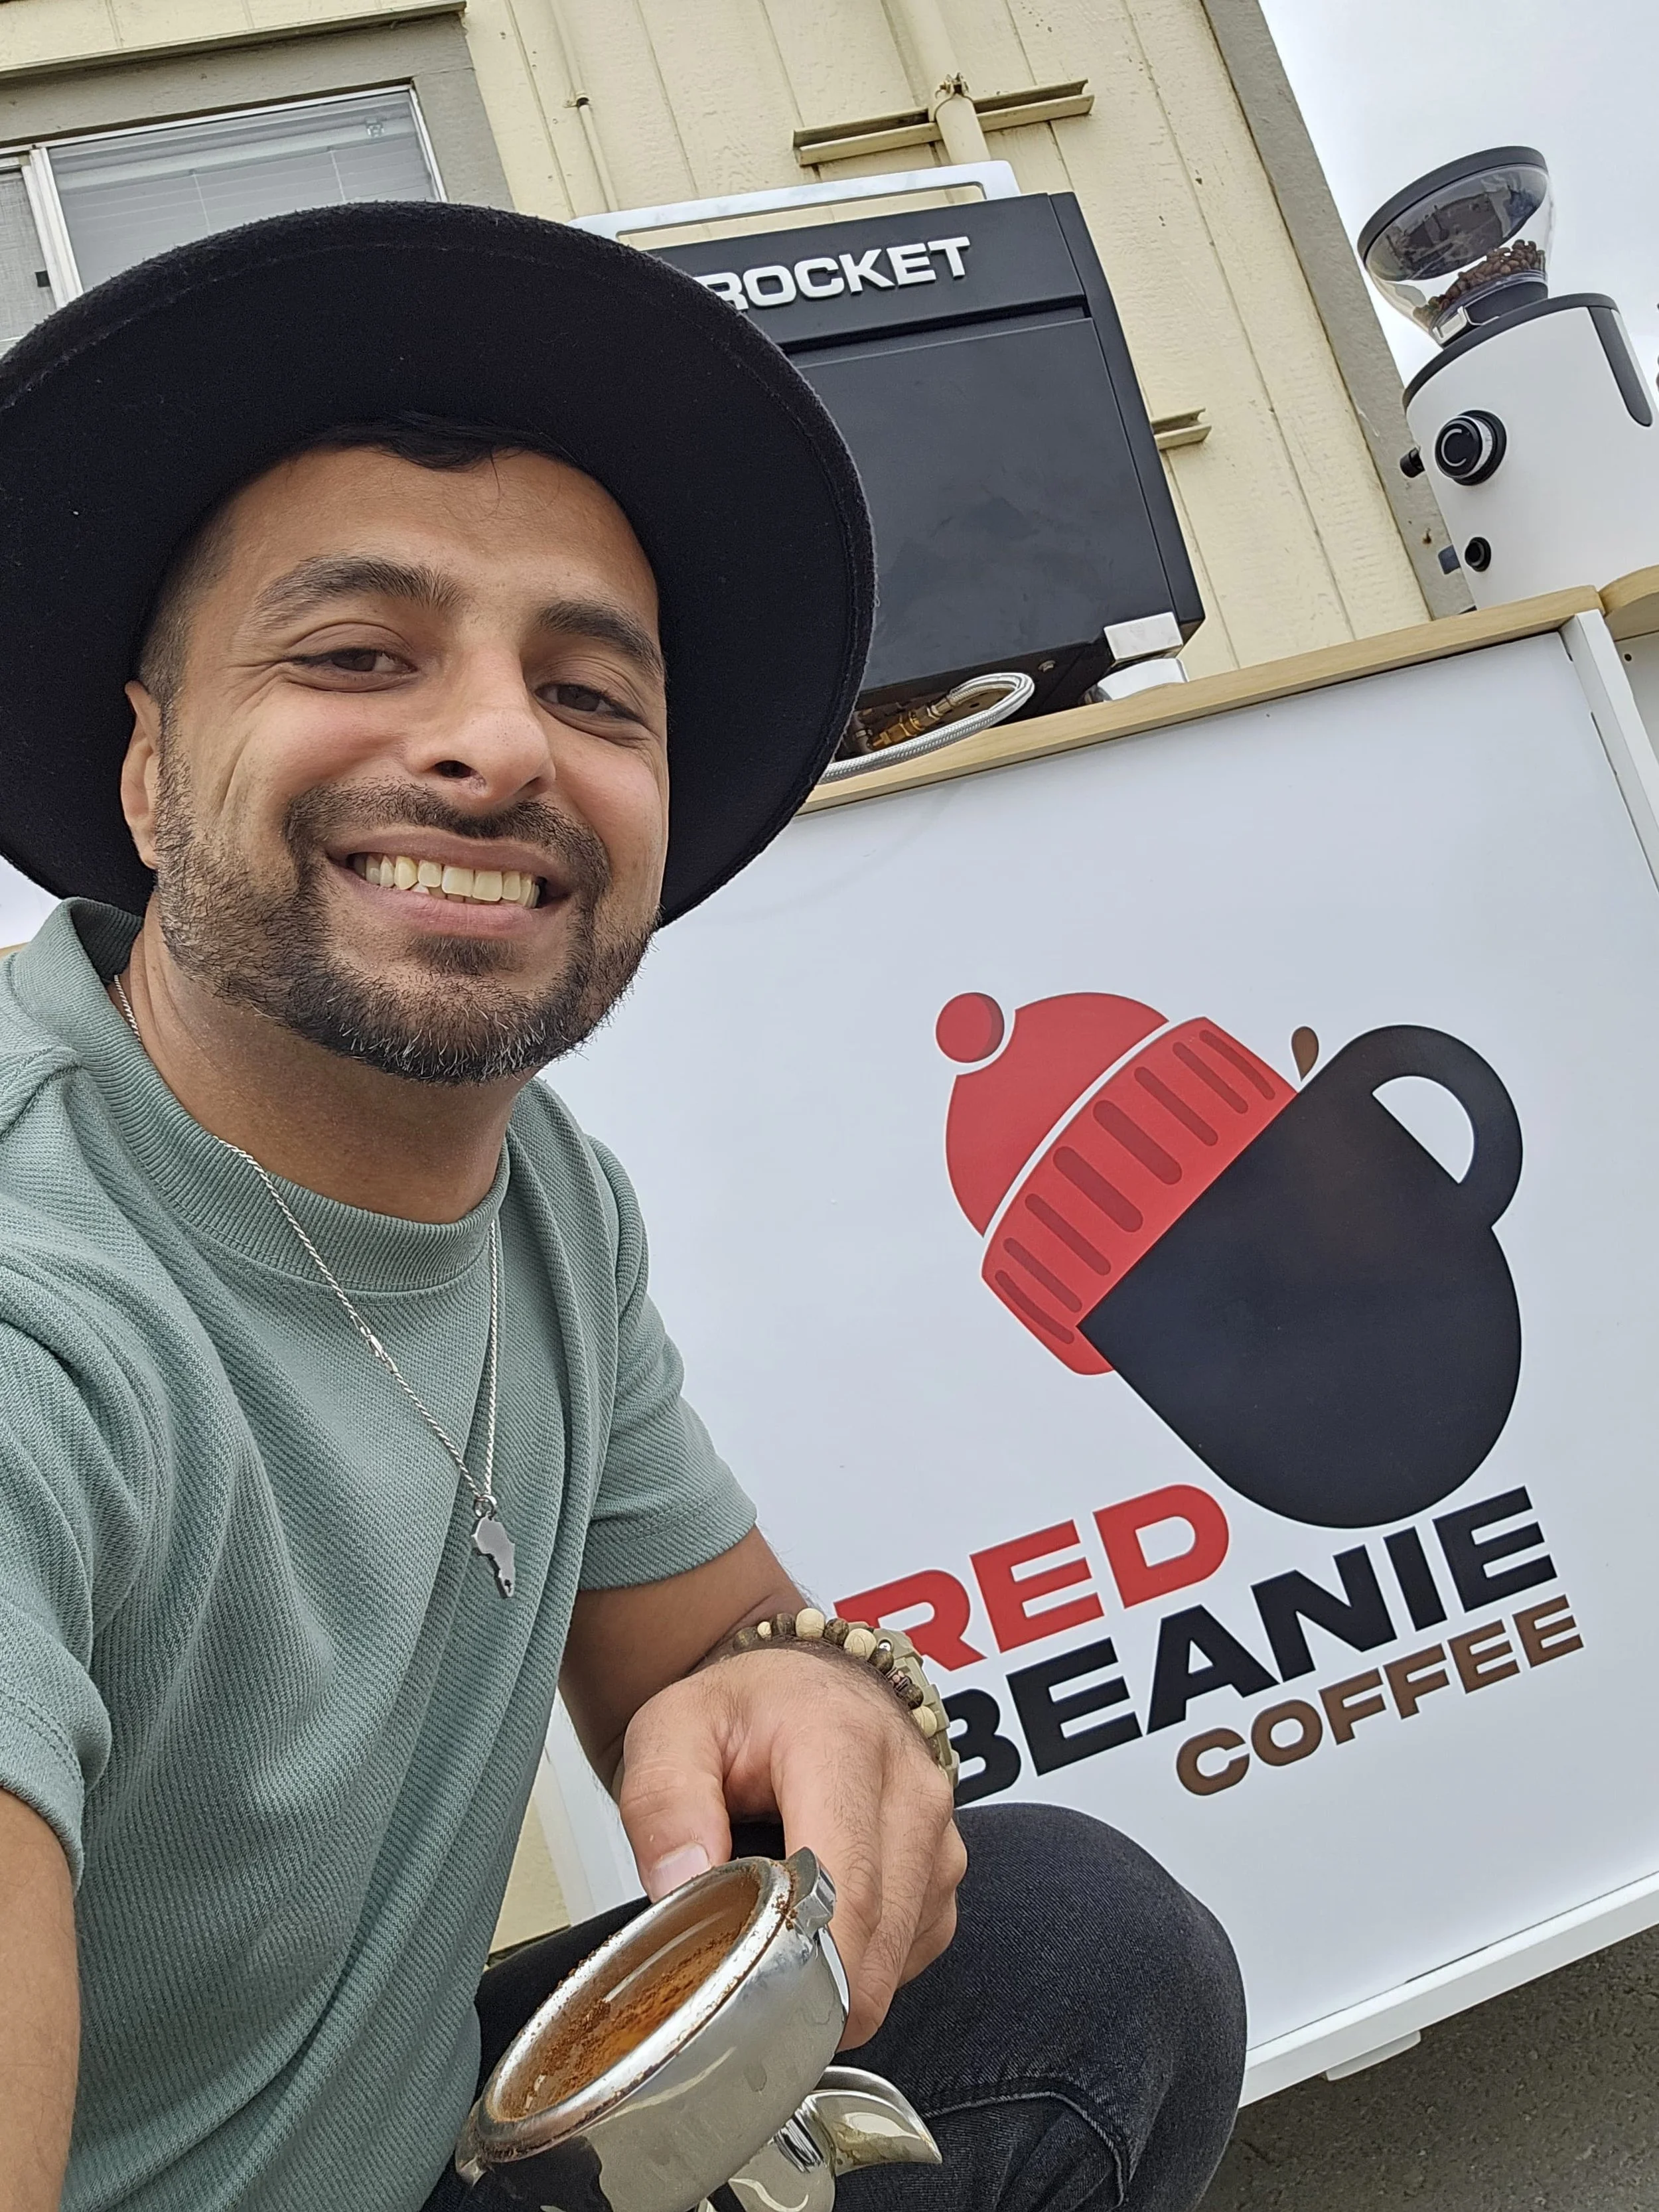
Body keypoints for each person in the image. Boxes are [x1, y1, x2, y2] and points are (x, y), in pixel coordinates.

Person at [0, 202, 1245, 2212]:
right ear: (148, 775)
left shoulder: (536, 1195)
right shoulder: (34, 1310)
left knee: (1076, 1954)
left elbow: (721, 1646)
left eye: (592, 695)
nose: (497, 742)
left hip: (410, 2139)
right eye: (352, 652)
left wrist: (813, 1687)